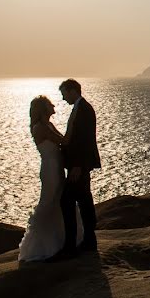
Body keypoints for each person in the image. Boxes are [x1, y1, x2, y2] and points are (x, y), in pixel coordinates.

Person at [18, 96, 82, 261]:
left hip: (57, 167)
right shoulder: (41, 128)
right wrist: (73, 120)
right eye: (49, 104)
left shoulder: (48, 125)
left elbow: (63, 142)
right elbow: (64, 141)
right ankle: (40, 245)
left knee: (59, 202)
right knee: (49, 201)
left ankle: (60, 240)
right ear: (43, 108)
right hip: (50, 169)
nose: (53, 105)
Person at [48, 78, 101, 261]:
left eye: (64, 94)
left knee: (68, 200)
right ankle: (88, 241)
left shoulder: (84, 109)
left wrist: (77, 165)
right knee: (84, 200)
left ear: (72, 91)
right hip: (79, 164)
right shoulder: (81, 107)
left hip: (79, 165)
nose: (63, 99)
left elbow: (84, 140)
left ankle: (72, 245)